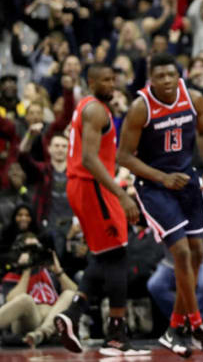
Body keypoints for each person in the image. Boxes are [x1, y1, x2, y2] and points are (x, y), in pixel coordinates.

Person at [117, 53, 203, 357]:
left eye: (171, 75)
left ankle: (173, 328)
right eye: (160, 76)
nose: (166, 81)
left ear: (179, 74)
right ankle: (198, 329)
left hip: (187, 180)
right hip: (154, 186)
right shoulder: (140, 108)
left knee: (198, 254)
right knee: (180, 252)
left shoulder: (194, 98)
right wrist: (161, 178)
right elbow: (123, 157)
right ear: (150, 78)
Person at [54, 64, 148, 356]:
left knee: (106, 255)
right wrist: (121, 195)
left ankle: (72, 313)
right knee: (118, 255)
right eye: (104, 80)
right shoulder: (95, 110)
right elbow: (91, 160)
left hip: (83, 186)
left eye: (113, 79)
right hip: (92, 186)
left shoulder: (88, 107)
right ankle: (116, 335)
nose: (111, 84)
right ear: (90, 82)